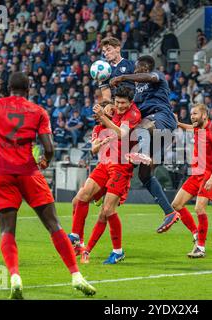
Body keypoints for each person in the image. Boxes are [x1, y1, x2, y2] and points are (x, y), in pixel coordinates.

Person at [0, 72, 96, 299]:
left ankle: (15, 277)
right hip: (29, 173)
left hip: (2, 174)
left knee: (7, 230)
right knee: (54, 225)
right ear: (28, 90)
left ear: (8, 88)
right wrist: (46, 160)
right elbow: (49, 147)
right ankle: (76, 275)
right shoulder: (38, 111)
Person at [110, 55, 181, 233]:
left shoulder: (156, 76)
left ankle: (140, 152)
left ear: (145, 67)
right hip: (155, 134)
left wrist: (124, 77)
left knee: (141, 127)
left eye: (138, 68)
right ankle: (169, 213)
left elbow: (149, 78)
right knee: (144, 176)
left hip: (161, 118)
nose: (135, 70)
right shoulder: (136, 91)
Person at [80, 86, 141, 264]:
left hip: (122, 166)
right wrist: (108, 107)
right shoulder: (114, 109)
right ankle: (82, 245)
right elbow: (108, 104)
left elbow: (121, 134)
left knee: (106, 210)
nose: (120, 106)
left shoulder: (133, 115)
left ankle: (116, 251)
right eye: (117, 102)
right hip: (107, 164)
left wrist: (105, 116)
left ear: (131, 103)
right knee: (83, 197)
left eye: (123, 103)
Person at [68, 100, 128, 263]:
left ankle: (113, 250)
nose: (99, 115)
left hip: (118, 170)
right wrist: (101, 143)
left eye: (105, 111)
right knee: (79, 198)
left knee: (106, 212)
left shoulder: (119, 125)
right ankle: (77, 240)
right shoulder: (97, 129)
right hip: (104, 167)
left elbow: (124, 136)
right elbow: (94, 149)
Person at [172, 104, 212, 258]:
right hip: (196, 174)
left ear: (204, 115)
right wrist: (179, 124)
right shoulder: (198, 128)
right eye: (191, 114)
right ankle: (196, 233)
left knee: (199, 209)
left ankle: (200, 247)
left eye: (195, 114)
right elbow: (190, 127)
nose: (192, 116)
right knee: (176, 204)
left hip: (208, 175)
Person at [99, 37, 135, 101]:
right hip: (116, 106)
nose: (106, 54)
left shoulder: (132, 64)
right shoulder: (104, 71)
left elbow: (139, 87)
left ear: (117, 49)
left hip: (133, 102)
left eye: (108, 50)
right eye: (104, 52)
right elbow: (106, 97)